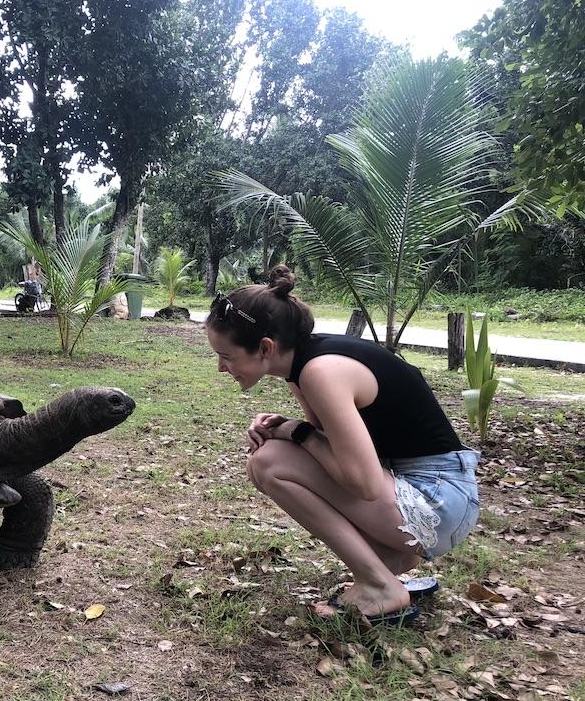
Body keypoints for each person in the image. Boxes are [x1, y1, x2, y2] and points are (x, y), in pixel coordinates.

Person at [205, 264, 479, 625]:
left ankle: (381, 586)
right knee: (271, 455)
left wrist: (296, 432)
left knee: (268, 462)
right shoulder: (305, 367)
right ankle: (386, 563)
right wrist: (286, 427)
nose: (221, 368)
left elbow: (362, 482)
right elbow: (332, 448)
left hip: (439, 501)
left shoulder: (321, 371)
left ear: (265, 347)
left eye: (226, 356)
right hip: (427, 493)